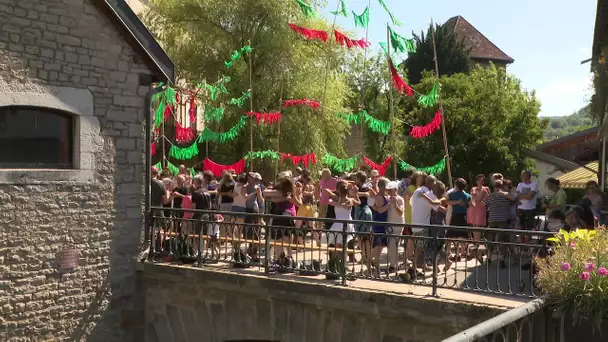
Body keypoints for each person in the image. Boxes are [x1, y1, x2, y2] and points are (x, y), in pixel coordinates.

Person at [323, 180, 360, 277]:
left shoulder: (337, 198)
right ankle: (340, 265)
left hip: (340, 224)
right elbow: (359, 203)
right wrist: (355, 193)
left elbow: (326, 190)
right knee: (341, 246)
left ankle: (337, 265)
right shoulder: (350, 200)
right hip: (347, 223)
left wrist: (334, 192)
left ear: (339, 190)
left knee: (338, 246)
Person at [483, 179, 515, 268]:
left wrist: (491, 208)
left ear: (494, 186)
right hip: (503, 220)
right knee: (502, 240)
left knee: (490, 239)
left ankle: (488, 258)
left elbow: (483, 204)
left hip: (492, 220)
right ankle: (501, 260)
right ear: (502, 186)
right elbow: (514, 199)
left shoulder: (490, 195)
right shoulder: (506, 195)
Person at [353, 171, 373, 269]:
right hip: (364, 212)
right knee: (364, 237)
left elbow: (367, 194)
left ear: (358, 178)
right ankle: (366, 257)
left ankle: (367, 258)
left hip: (362, 212)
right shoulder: (360, 188)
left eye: (356, 178)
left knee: (363, 237)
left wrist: (356, 193)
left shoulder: (365, 187)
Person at [386, 181, 405, 274]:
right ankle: (393, 264)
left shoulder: (400, 199)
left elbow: (401, 212)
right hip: (390, 225)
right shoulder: (387, 199)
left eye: (390, 190)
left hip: (397, 225)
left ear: (395, 190)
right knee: (391, 246)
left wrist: (395, 204)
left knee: (394, 245)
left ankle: (393, 265)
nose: (389, 191)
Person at [516, 170, 539, 242]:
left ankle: (527, 243)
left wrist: (522, 196)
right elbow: (518, 196)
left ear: (527, 176)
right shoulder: (520, 185)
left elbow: (530, 197)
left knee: (529, 227)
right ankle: (521, 244)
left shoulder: (534, 184)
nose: (520, 177)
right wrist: (526, 196)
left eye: (522, 175)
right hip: (521, 208)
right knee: (521, 227)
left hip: (531, 209)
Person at [468, 174, 490, 241]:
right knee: (474, 225)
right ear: (476, 181)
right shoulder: (473, 188)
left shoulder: (486, 189)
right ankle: (476, 241)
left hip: (481, 209)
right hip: (473, 209)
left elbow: (489, 198)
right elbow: (471, 198)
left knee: (479, 225)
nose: (480, 181)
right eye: (479, 180)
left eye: (482, 180)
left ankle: (477, 241)